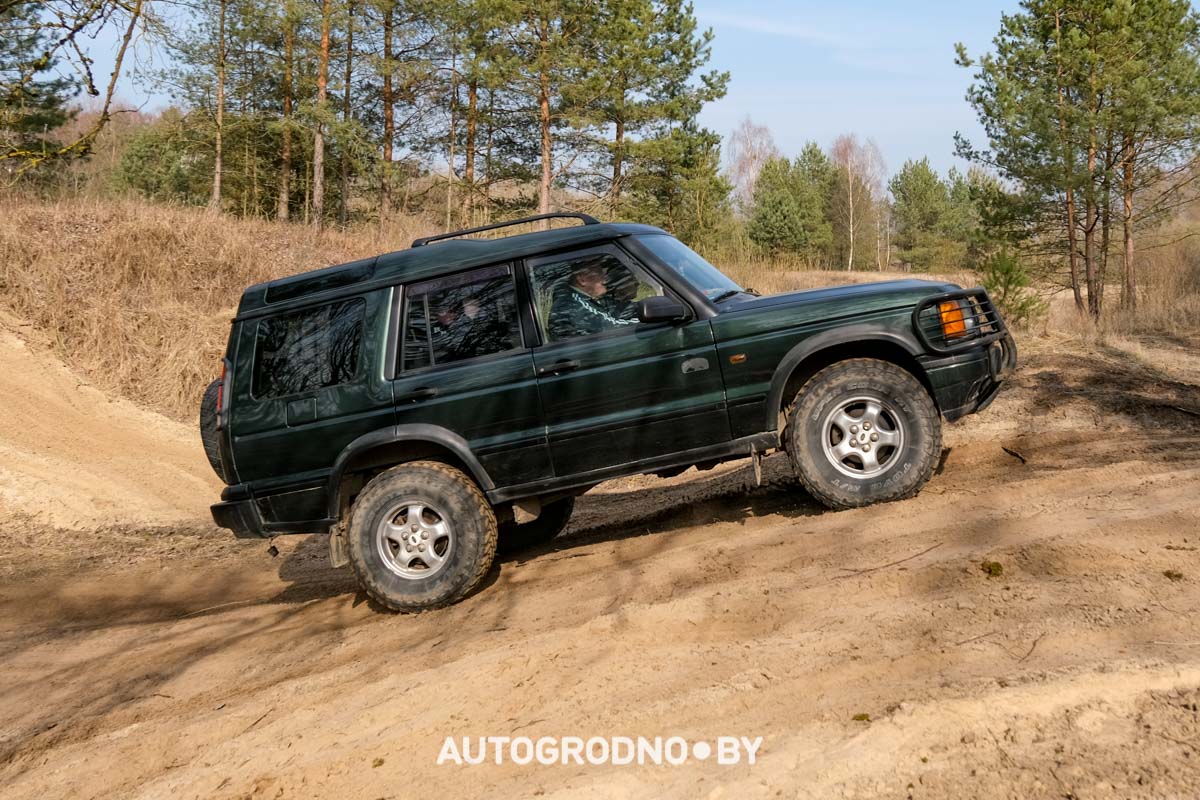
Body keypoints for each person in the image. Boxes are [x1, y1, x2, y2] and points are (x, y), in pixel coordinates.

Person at [548, 257, 638, 341]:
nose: (605, 279)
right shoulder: (572, 305)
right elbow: (612, 328)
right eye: (599, 273)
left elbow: (618, 308)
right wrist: (647, 322)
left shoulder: (586, 299)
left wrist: (644, 306)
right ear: (582, 280)